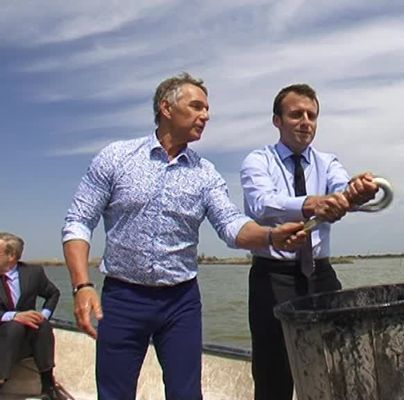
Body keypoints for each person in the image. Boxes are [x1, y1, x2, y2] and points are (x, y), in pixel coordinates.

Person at [61, 72, 307, 400]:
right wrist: (82, 285)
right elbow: (78, 221)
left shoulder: (205, 173)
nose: (205, 115)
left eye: (207, 109)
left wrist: (272, 237)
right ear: (166, 108)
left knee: (186, 394)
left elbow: (232, 225)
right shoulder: (116, 158)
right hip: (122, 299)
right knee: (114, 394)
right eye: (196, 106)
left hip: (181, 302)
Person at [240, 83, 379, 400]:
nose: (306, 122)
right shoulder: (258, 161)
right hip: (272, 276)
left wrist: (358, 191)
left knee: (334, 364)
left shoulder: (328, 162)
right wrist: (309, 204)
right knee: (272, 371)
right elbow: (261, 202)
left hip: (320, 274)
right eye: (296, 114)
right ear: (277, 120)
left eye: (312, 115)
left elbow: (343, 188)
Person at [0, 232, 63, 400]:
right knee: (14, 325)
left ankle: (47, 385)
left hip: (25, 336)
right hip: (3, 333)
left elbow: (53, 293)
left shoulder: (33, 273)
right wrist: (13, 316)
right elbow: (15, 319)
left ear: (12, 255)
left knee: (41, 324)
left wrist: (43, 315)